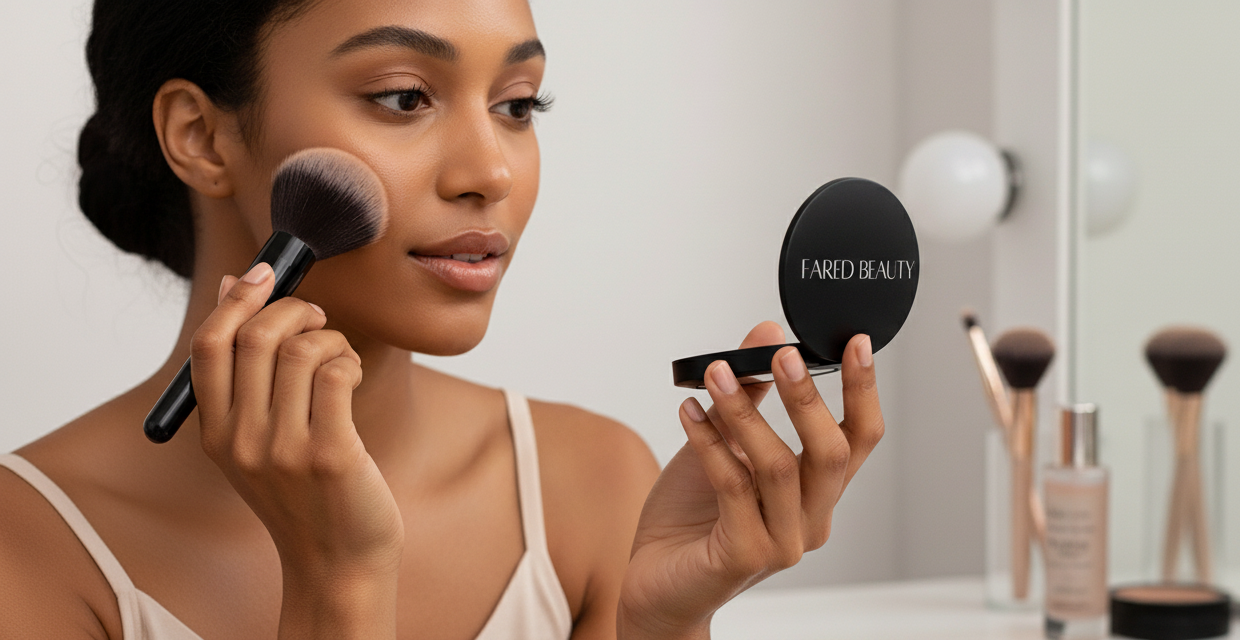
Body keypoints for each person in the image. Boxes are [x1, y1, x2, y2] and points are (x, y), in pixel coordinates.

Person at [0, 0, 886, 638]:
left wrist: (663, 624)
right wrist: (336, 582)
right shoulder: (32, 548)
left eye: (516, 105)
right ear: (201, 135)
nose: (489, 171)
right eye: (402, 96)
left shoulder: (590, 486)